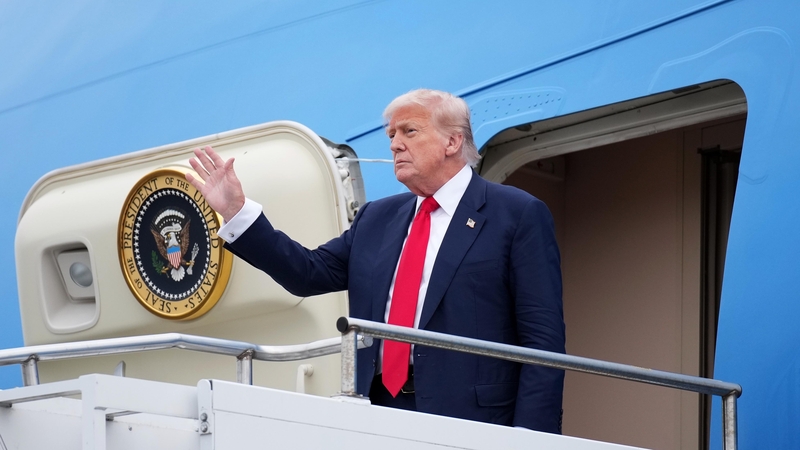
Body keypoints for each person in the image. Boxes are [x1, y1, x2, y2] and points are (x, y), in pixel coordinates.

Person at [186, 89, 565, 433]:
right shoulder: (376, 219)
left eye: (409, 132)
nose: (395, 145)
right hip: (379, 413)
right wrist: (237, 212)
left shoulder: (516, 214)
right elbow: (306, 273)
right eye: (391, 136)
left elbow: (542, 342)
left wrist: (533, 440)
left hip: (473, 421)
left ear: (453, 140)